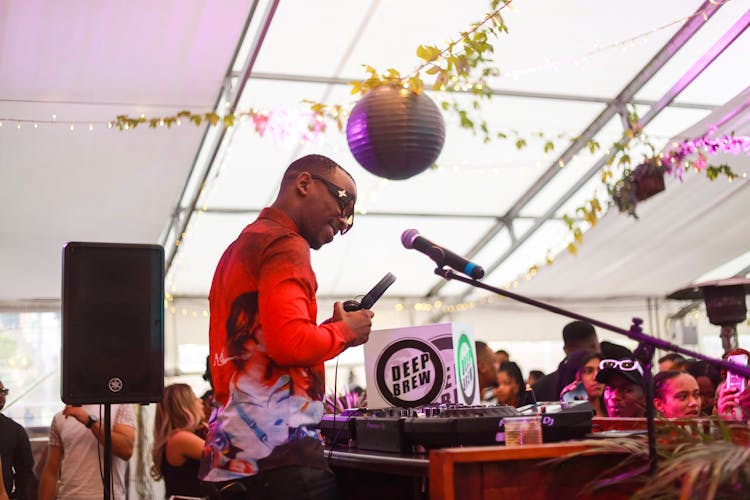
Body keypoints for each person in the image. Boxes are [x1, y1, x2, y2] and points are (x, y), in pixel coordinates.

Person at [199, 154, 374, 499]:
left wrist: (326, 331)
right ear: (304, 183)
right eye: (344, 203)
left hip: (229, 457)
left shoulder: (238, 248)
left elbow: (265, 343)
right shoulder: (285, 243)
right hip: (281, 456)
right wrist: (344, 332)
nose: (344, 220)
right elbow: (289, 344)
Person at [38, 404, 135, 500]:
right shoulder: (60, 417)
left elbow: (126, 450)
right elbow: (51, 471)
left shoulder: (120, 405)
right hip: (68, 496)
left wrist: (90, 421)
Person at [151, 384, 207, 499]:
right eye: (194, 398)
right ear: (184, 406)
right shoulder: (180, 438)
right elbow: (223, 457)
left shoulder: (177, 438)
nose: (200, 400)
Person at [532, 321, 599, 401]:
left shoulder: (540, 387)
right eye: (588, 371)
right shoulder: (606, 385)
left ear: (565, 349)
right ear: (595, 347)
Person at [0, 380, 33, 499]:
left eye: (3, 391)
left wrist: (18, 496)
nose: (1, 395)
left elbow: (25, 471)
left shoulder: (14, 430)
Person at [559, 351, 607, 417]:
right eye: (588, 371)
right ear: (573, 375)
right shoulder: (565, 413)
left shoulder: (614, 409)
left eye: (600, 371)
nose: (597, 377)